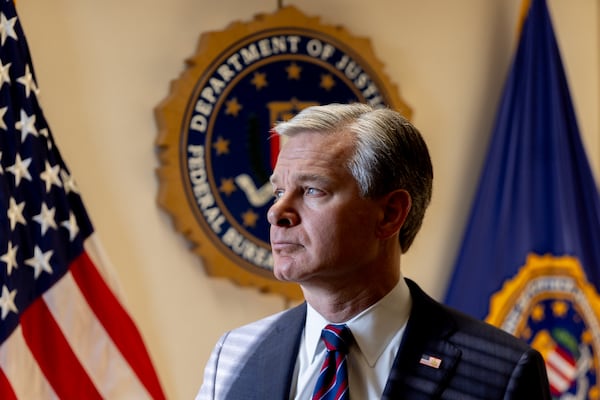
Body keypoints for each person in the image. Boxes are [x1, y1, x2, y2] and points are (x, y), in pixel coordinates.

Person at [196, 103, 550, 399]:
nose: (276, 212)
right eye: (278, 192)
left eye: (312, 191)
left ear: (390, 214)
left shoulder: (498, 372)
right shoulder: (234, 354)